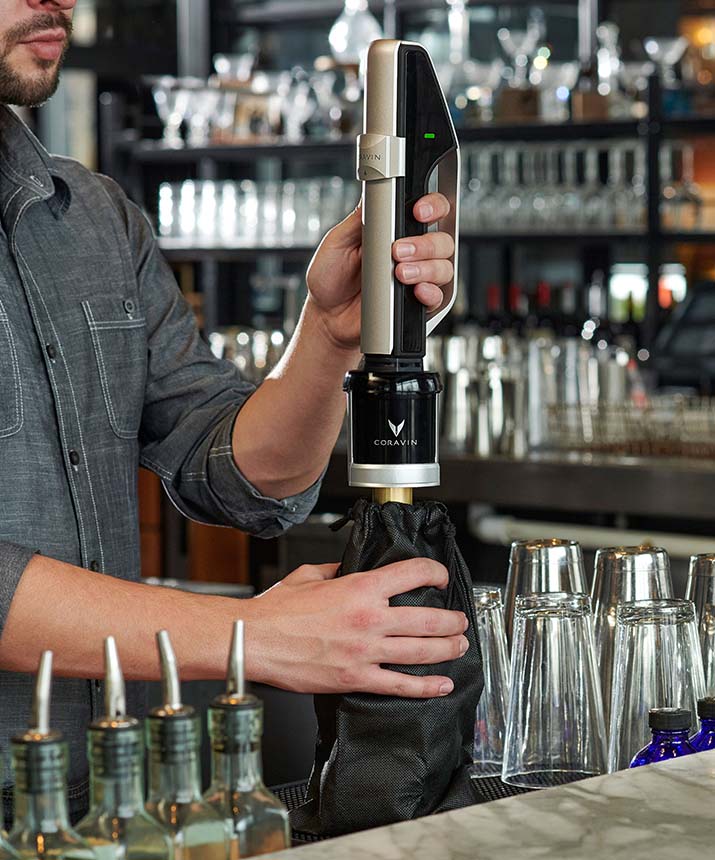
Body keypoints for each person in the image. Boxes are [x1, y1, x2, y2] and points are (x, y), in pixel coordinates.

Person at [0, 0, 469, 818]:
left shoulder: (95, 218)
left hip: (105, 807)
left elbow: (236, 475)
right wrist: (252, 637)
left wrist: (327, 334)